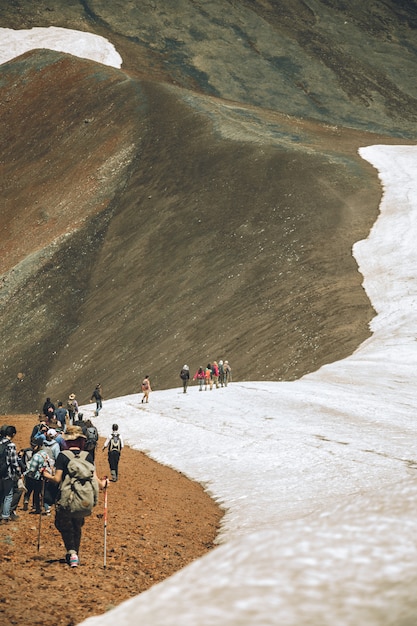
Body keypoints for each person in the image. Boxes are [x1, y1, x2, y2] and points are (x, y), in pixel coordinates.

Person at [42, 425, 108, 568]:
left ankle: (71, 552)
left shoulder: (62, 456)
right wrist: (105, 483)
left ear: (66, 441)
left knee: (63, 525)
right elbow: (97, 482)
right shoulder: (87, 456)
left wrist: (46, 475)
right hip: (82, 499)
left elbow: (58, 479)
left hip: (65, 499)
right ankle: (75, 554)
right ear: (81, 442)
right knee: (77, 526)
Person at [0, 425, 23, 523]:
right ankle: (5, 516)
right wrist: (19, 473)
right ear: (13, 434)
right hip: (7, 474)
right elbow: (13, 462)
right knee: (8, 495)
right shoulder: (11, 445)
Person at [23, 443, 53, 515]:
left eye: (34, 446)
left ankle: (38, 508)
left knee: (37, 493)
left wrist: (25, 474)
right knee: (44, 493)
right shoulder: (44, 453)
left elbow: (32, 469)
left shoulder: (36, 456)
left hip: (38, 477)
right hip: (46, 476)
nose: (32, 447)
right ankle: (47, 508)